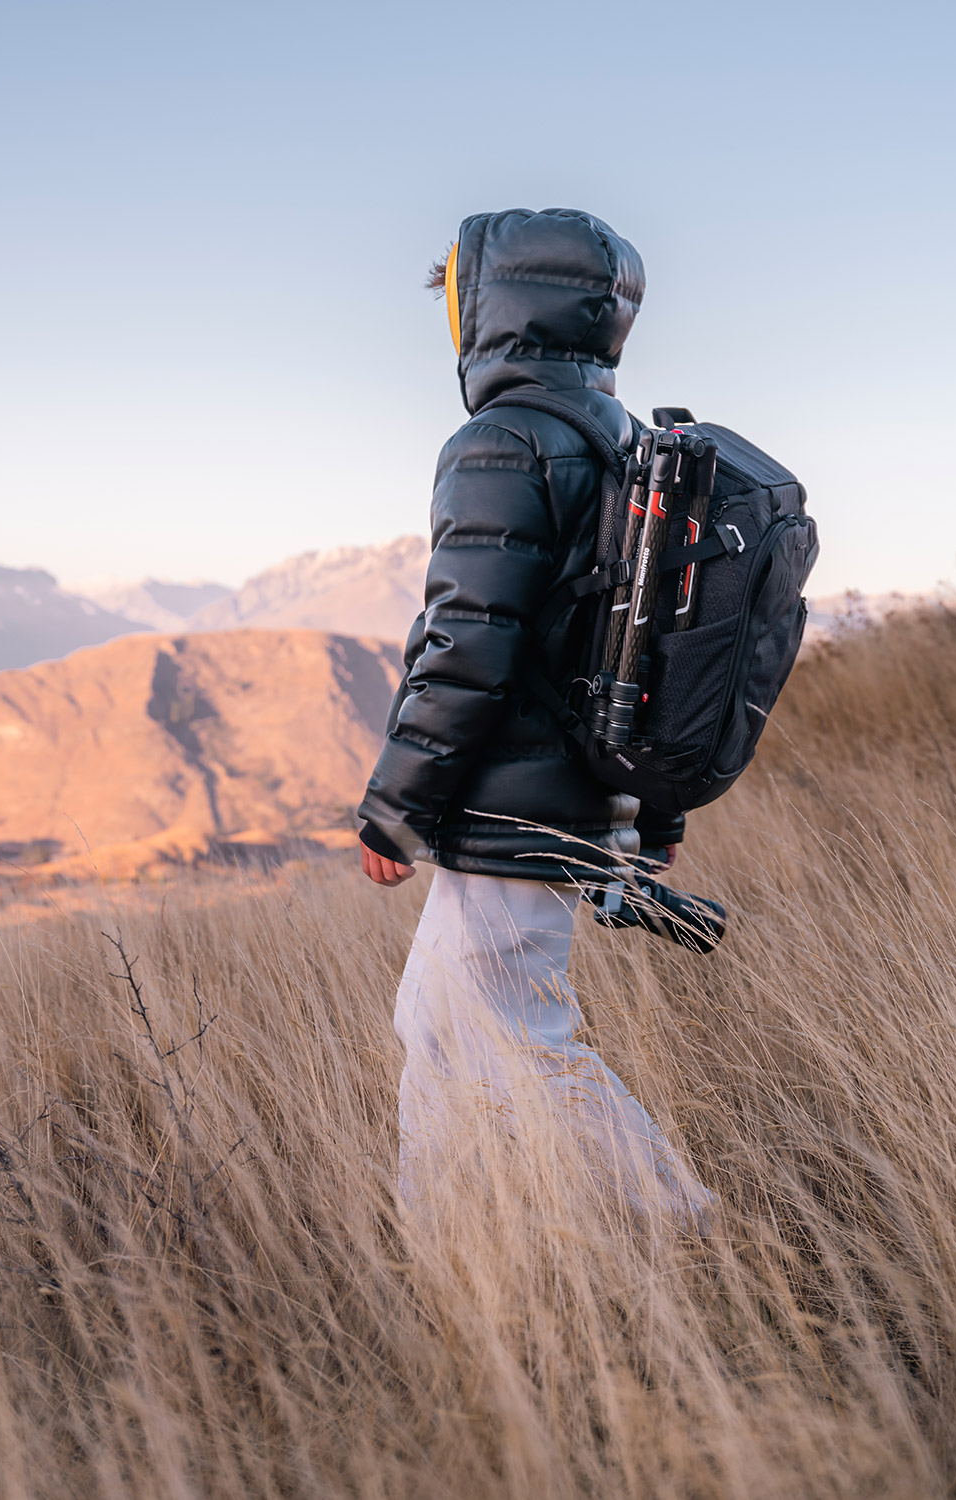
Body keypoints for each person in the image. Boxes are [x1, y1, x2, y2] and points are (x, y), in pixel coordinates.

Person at [357, 208, 715, 1229]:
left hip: (514, 796)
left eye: (456, 302)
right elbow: (660, 646)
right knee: (442, 1024)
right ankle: (452, 1250)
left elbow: (466, 640)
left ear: (497, 312)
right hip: (571, 786)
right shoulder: (625, 440)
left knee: (508, 1038)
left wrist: (394, 807)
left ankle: (676, 1227)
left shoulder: (500, 442)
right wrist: (654, 816)